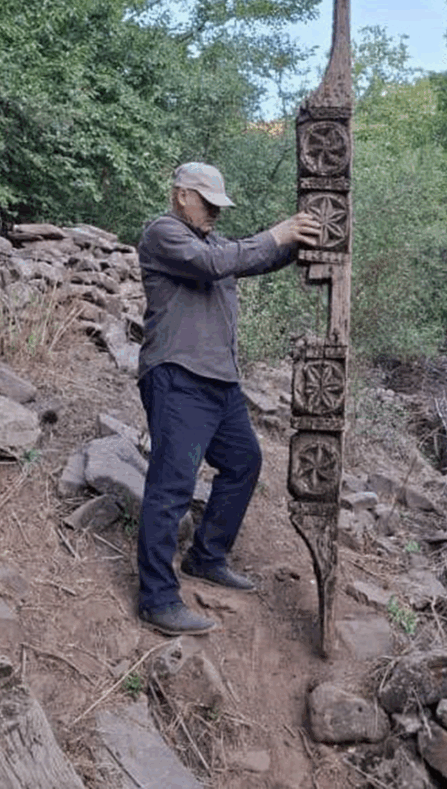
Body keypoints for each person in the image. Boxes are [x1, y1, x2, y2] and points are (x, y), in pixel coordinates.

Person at [136, 161, 321, 636]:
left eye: (220, 204)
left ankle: (207, 556)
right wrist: (277, 233)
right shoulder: (163, 233)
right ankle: (157, 598)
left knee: (243, 462)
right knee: (172, 486)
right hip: (178, 376)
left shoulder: (213, 243)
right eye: (209, 203)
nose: (216, 212)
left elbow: (251, 259)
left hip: (219, 382)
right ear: (182, 195)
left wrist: (300, 239)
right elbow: (216, 264)